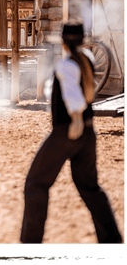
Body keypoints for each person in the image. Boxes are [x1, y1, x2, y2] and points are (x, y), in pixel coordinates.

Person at [20, 22, 123, 244]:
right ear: (83, 41)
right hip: (87, 132)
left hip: (68, 131)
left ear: (64, 42)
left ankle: (30, 243)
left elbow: (71, 94)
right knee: (89, 187)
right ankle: (112, 240)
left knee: (35, 184)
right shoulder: (87, 58)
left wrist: (75, 118)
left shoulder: (66, 64)